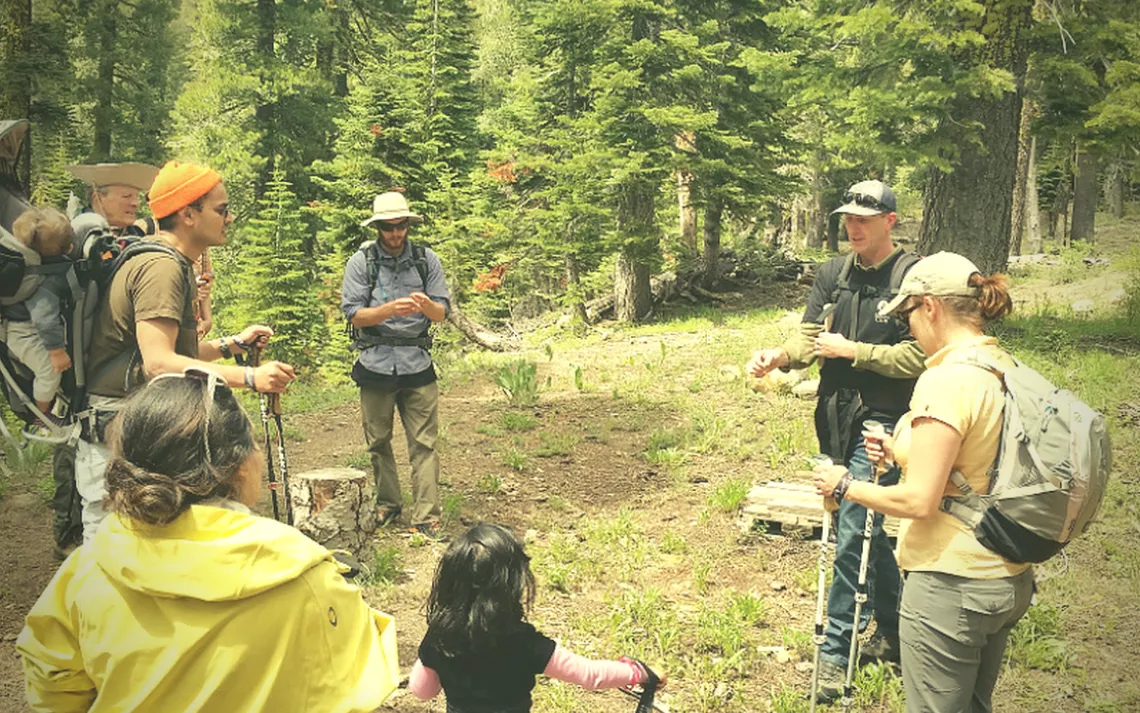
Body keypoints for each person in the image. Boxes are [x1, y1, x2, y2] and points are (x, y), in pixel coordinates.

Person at [17, 370, 400, 712]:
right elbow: (359, 683)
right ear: (238, 466)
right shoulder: (305, 574)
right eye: (252, 443)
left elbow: (52, 689)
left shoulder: (87, 571)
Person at [811, 251, 1029, 713]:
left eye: (908, 314)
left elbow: (918, 501)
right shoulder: (998, 364)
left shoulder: (946, 381)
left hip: (952, 583)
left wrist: (843, 483)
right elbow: (976, 456)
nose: (908, 327)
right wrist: (898, 451)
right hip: (1006, 573)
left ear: (930, 307)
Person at [746, 179, 924, 700]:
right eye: (848, 218)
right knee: (864, 529)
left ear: (890, 221)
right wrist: (778, 357)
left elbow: (919, 356)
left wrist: (854, 352)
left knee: (851, 532)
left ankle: (834, 657)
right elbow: (808, 335)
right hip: (834, 415)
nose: (853, 227)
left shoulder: (909, 276)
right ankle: (897, 633)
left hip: (886, 423)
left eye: (864, 220)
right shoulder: (833, 272)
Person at [75, 160, 295, 545]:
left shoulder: (167, 261)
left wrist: (230, 345)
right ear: (188, 214)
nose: (229, 218)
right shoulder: (161, 267)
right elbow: (159, 363)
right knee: (111, 545)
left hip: (131, 426)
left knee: (144, 545)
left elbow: (174, 353)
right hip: (112, 434)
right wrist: (250, 378)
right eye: (222, 209)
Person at [409, 523, 664, 712]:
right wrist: (638, 673)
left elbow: (422, 691)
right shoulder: (523, 642)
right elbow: (589, 674)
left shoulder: (440, 638)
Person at [341, 191, 450, 539]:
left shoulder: (426, 260)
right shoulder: (361, 262)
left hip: (417, 363)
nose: (395, 234)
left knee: (424, 443)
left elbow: (442, 312)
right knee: (378, 440)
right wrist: (389, 311)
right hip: (375, 364)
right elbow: (355, 315)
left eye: (400, 226)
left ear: (408, 225)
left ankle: (427, 515)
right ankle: (388, 503)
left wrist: (424, 307)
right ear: (378, 228)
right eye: (388, 228)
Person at [3, 207, 73, 425]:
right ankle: (41, 415)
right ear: (65, 248)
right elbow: (44, 318)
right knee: (50, 372)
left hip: (21, 328)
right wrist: (57, 352)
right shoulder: (45, 280)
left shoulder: (31, 264)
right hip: (23, 334)